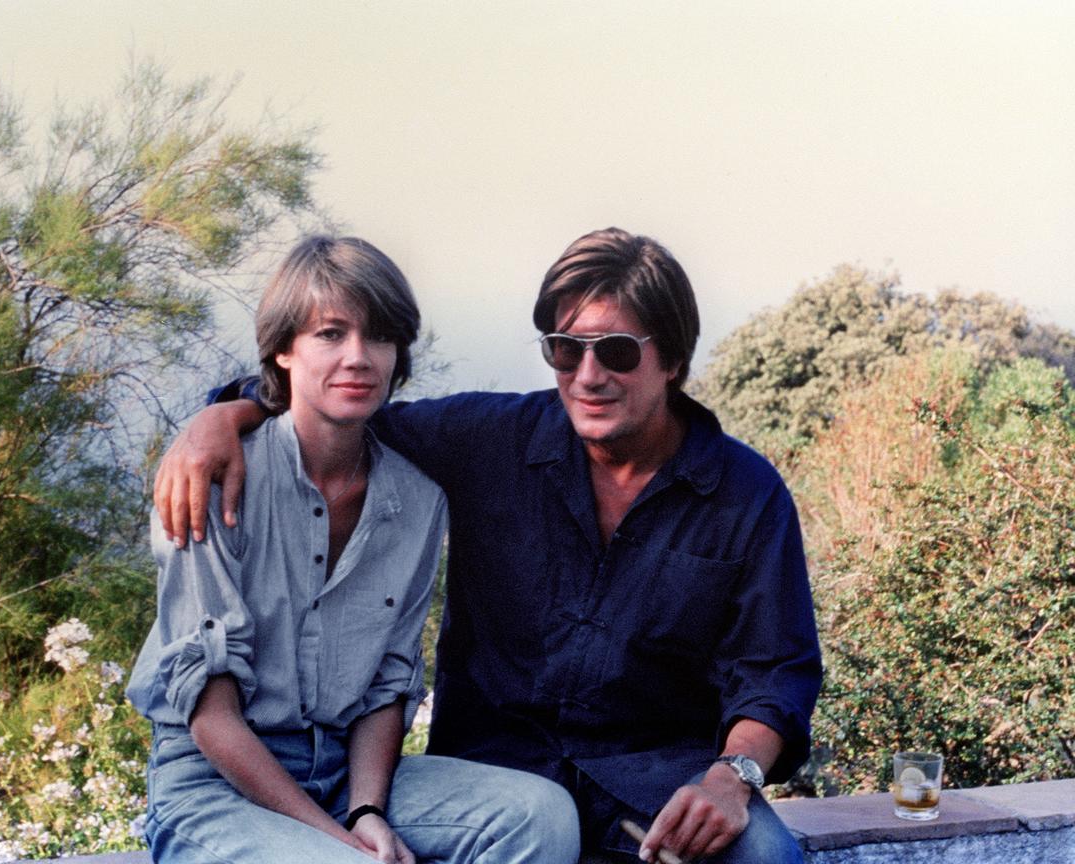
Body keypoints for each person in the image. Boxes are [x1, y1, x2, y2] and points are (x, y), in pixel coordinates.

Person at [154, 228, 822, 863]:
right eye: (565, 349)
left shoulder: (744, 493)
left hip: (650, 778)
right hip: (502, 762)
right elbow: (340, 407)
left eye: (616, 350)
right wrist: (223, 417)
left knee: (765, 854)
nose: (588, 375)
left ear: (673, 359)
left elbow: (777, 670)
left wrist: (731, 779)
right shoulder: (485, 440)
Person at [126, 235, 580, 864]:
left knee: (540, 817)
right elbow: (211, 718)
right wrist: (337, 841)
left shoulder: (418, 500)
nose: (359, 358)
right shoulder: (212, 478)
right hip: (214, 789)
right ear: (283, 350)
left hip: (345, 773)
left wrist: (366, 811)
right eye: (331, 334)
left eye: (381, 337)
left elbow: (388, 686)